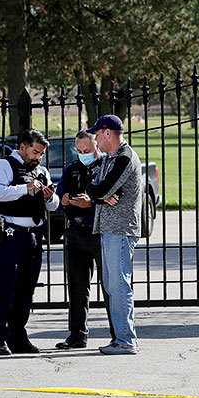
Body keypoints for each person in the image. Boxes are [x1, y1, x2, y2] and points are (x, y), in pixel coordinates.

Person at [0, 129, 60, 355]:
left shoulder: (41, 171)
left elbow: (54, 206)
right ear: (22, 147)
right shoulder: (3, 165)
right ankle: (0, 337)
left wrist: (49, 197)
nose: (38, 157)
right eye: (35, 151)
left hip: (34, 234)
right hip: (11, 232)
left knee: (26, 288)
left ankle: (19, 336)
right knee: (7, 286)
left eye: (41, 153)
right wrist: (25, 188)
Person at [84, 114, 143, 355]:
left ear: (108, 133)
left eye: (97, 134)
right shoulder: (112, 158)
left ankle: (126, 340)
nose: (96, 139)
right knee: (112, 285)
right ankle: (121, 337)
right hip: (109, 229)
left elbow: (102, 188)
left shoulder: (125, 158)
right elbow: (93, 184)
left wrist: (98, 192)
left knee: (119, 285)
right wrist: (98, 192)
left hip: (120, 229)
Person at [54, 130, 115, 349]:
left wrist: (91, 203)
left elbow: (115, 199)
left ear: (97, 146)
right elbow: (59, 194)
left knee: (110, 286)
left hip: (99, 231)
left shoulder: (108, 167)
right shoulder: (72, 168)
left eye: (87, 151)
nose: (83, 155)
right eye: (79, 151)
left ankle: (118, 335)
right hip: (75, 232)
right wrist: (65, 199)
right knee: (77, 287)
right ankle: (77, 335)